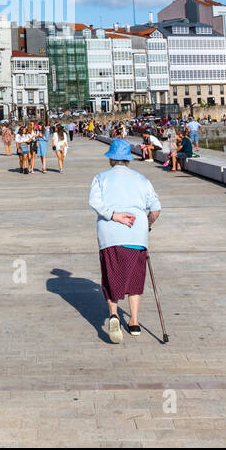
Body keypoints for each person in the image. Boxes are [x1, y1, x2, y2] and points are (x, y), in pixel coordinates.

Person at [89, 137, 162, 343]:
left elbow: (94, 201)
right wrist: (146, 225)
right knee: (135, 279)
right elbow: (156, 209)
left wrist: (114, 215)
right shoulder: (141, 179)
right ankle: (135, 322)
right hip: (137, 236)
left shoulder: (101, 178)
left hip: (109, 235)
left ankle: (113, 314)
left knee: (111, 275)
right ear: (128, 159)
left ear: (111, 159)